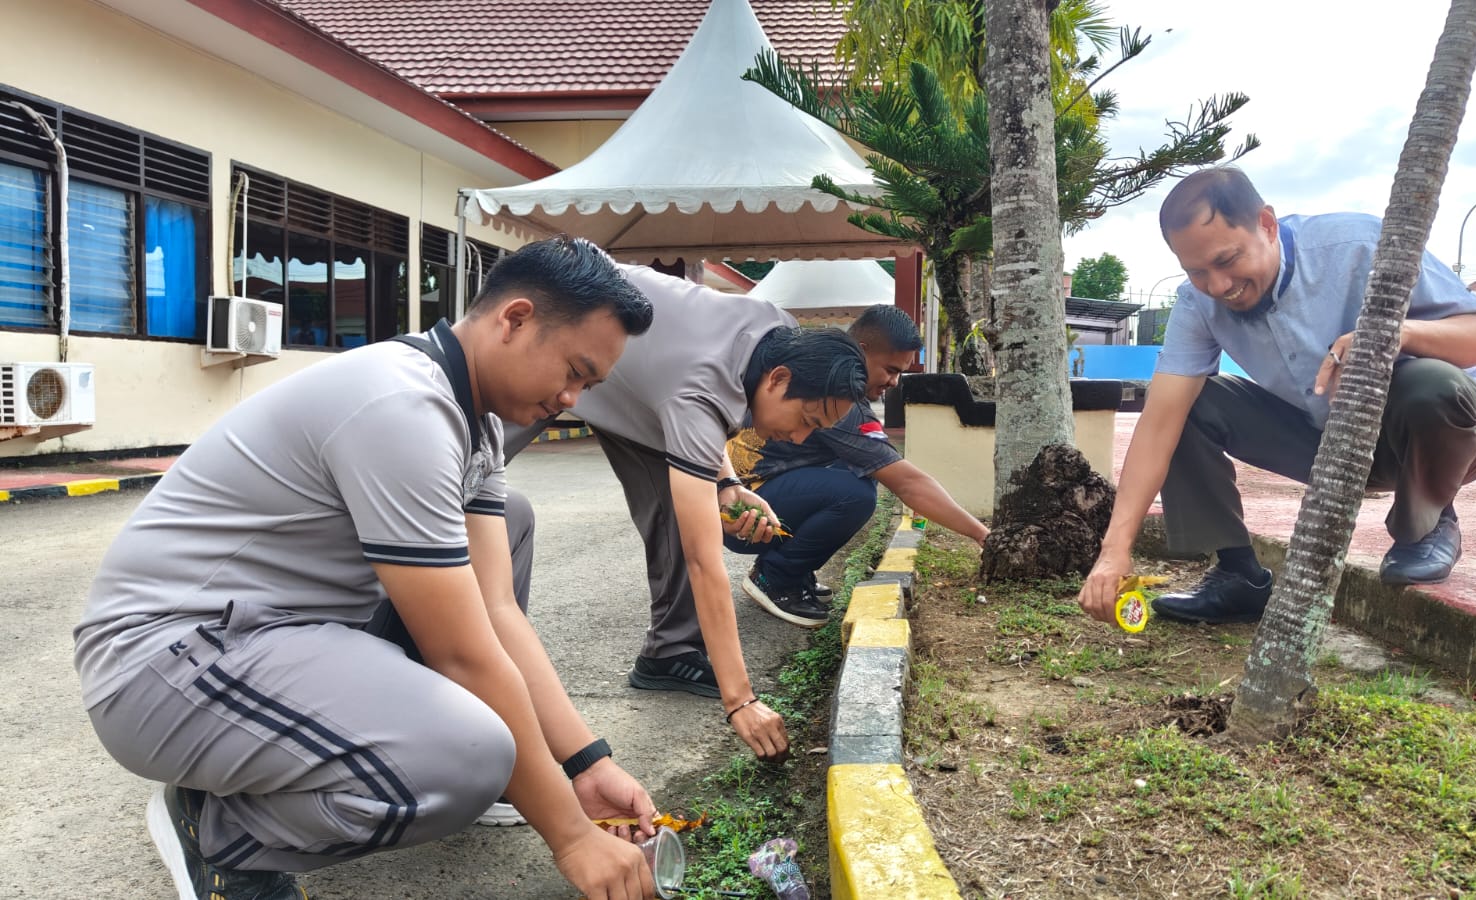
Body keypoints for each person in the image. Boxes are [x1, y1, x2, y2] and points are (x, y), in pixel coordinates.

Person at [74, 237, 664, 900]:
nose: (573, 398)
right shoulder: (402, 405)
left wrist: (585, 763)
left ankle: (316, 768)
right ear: (516, 319)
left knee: (510, 522)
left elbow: (495, 612)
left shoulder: (476, 423)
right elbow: (463, 656)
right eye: (575, 372)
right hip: (166, 665)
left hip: (271, 637)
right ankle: (222, 830)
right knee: (468, 758)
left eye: (589, 386)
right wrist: (572, 837)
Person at [1078, 167, 1476, 628]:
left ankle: (1430, 522)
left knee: (1430, 384)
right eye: (1197, 271)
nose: (1218, 286)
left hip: (1446, 434)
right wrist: (1114, 549)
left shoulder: (1360, 245)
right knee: (1189, 407)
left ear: (1266, 224)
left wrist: (1392, 335)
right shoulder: (1197, 303)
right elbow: (1159, 423)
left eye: (1227, 260)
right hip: (1323, 438)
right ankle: (1237, 576)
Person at [564, 264, 868, 763]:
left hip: (640, 381)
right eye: (806, 420)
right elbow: (704, 559)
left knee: (677, 503)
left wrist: (728, 484)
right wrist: (741, 700)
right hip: (568, 314)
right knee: (472, 485)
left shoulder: (780, 333)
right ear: (779, 379)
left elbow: (708, 409)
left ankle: (668, 653)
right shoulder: (698, 388)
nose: (799, 439)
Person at [724, 305, 988, 625]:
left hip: (749, 495)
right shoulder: (830, 397)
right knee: (855, 494)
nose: (894, 382)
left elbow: (895, 470)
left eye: (900, 373)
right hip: (739, 514)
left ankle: (791, 568)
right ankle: (776, 578)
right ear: (862, 351)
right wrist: (982, 534)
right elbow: (908, 483)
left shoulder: (823, 376)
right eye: (890, 369)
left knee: (860, 470)